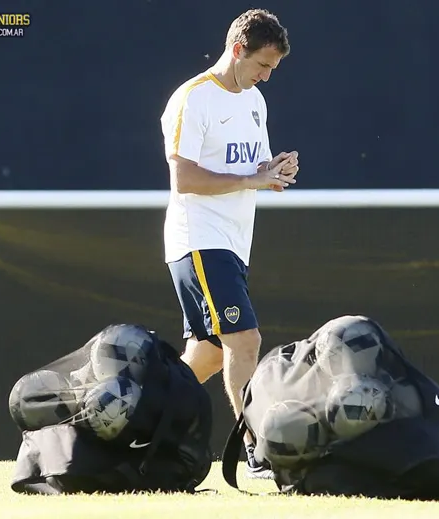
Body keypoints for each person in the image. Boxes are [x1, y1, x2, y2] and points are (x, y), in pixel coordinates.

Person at [159, 9, 298, 479]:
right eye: (262, 65)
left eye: (273, 68)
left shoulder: (254, 101)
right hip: (198, 239)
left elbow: (253, 171)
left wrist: (275, 171)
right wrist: (254, 178)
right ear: (238, 50)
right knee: (245, 339)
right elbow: (184, 177)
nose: (266, 75)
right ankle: (257, 450)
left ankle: (139, 422)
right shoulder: (192, 99)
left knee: (209, 354)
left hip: (233, 244)